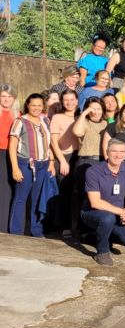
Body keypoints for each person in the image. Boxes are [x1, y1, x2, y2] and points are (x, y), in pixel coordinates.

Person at [80, 138, 125, 266]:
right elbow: (95, 202)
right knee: (107, 219)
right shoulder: (93, 171)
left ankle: (96, 237)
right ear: (107, 152)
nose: (118, 155)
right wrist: (123, 212)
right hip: (93, 212)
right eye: (114, 151)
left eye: (122, 151)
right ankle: (102, 251)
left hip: (117, 213)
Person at [8, 93, 56, 236]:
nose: (36, 108)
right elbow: (12, 146)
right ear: (27, 105)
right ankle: (16, 232)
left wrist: (51, 162)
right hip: (25, 164)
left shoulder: (45, 120)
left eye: (39, 105)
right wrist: (15, 168)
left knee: (37, 198)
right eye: (33, 105)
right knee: (20, 199)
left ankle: (36, 231)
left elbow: (49, 145)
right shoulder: (20, 121)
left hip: (43, 164)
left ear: (43, 106)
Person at [50, 89, 80, 235]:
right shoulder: (57, 117)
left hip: (79, 156)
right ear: (62, 102)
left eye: (72, 99)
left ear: (77, 101)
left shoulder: (81, 117)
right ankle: (65, 226)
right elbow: (53, 142)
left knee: (81, 193)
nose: (69, 103)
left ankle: (81, 227)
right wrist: (62, 161)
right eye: (66, 100)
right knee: (65, 193)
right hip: (64, 157)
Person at [73, 98, 108, 222]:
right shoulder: (83, 121)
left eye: (98, 108)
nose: (96, 112)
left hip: (101, 161)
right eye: (92, 109)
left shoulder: (106, 124)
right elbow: (77, 132)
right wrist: (84, 114)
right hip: (85, 161)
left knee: (99, 196)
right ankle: (82, 228)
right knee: (84, 196)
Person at [0, 84, 19, 233]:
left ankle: (5, 226)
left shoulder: (18, 115)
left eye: (9, 96)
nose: (6, 99)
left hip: (13, 154)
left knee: (8, 190)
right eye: (3, 96)